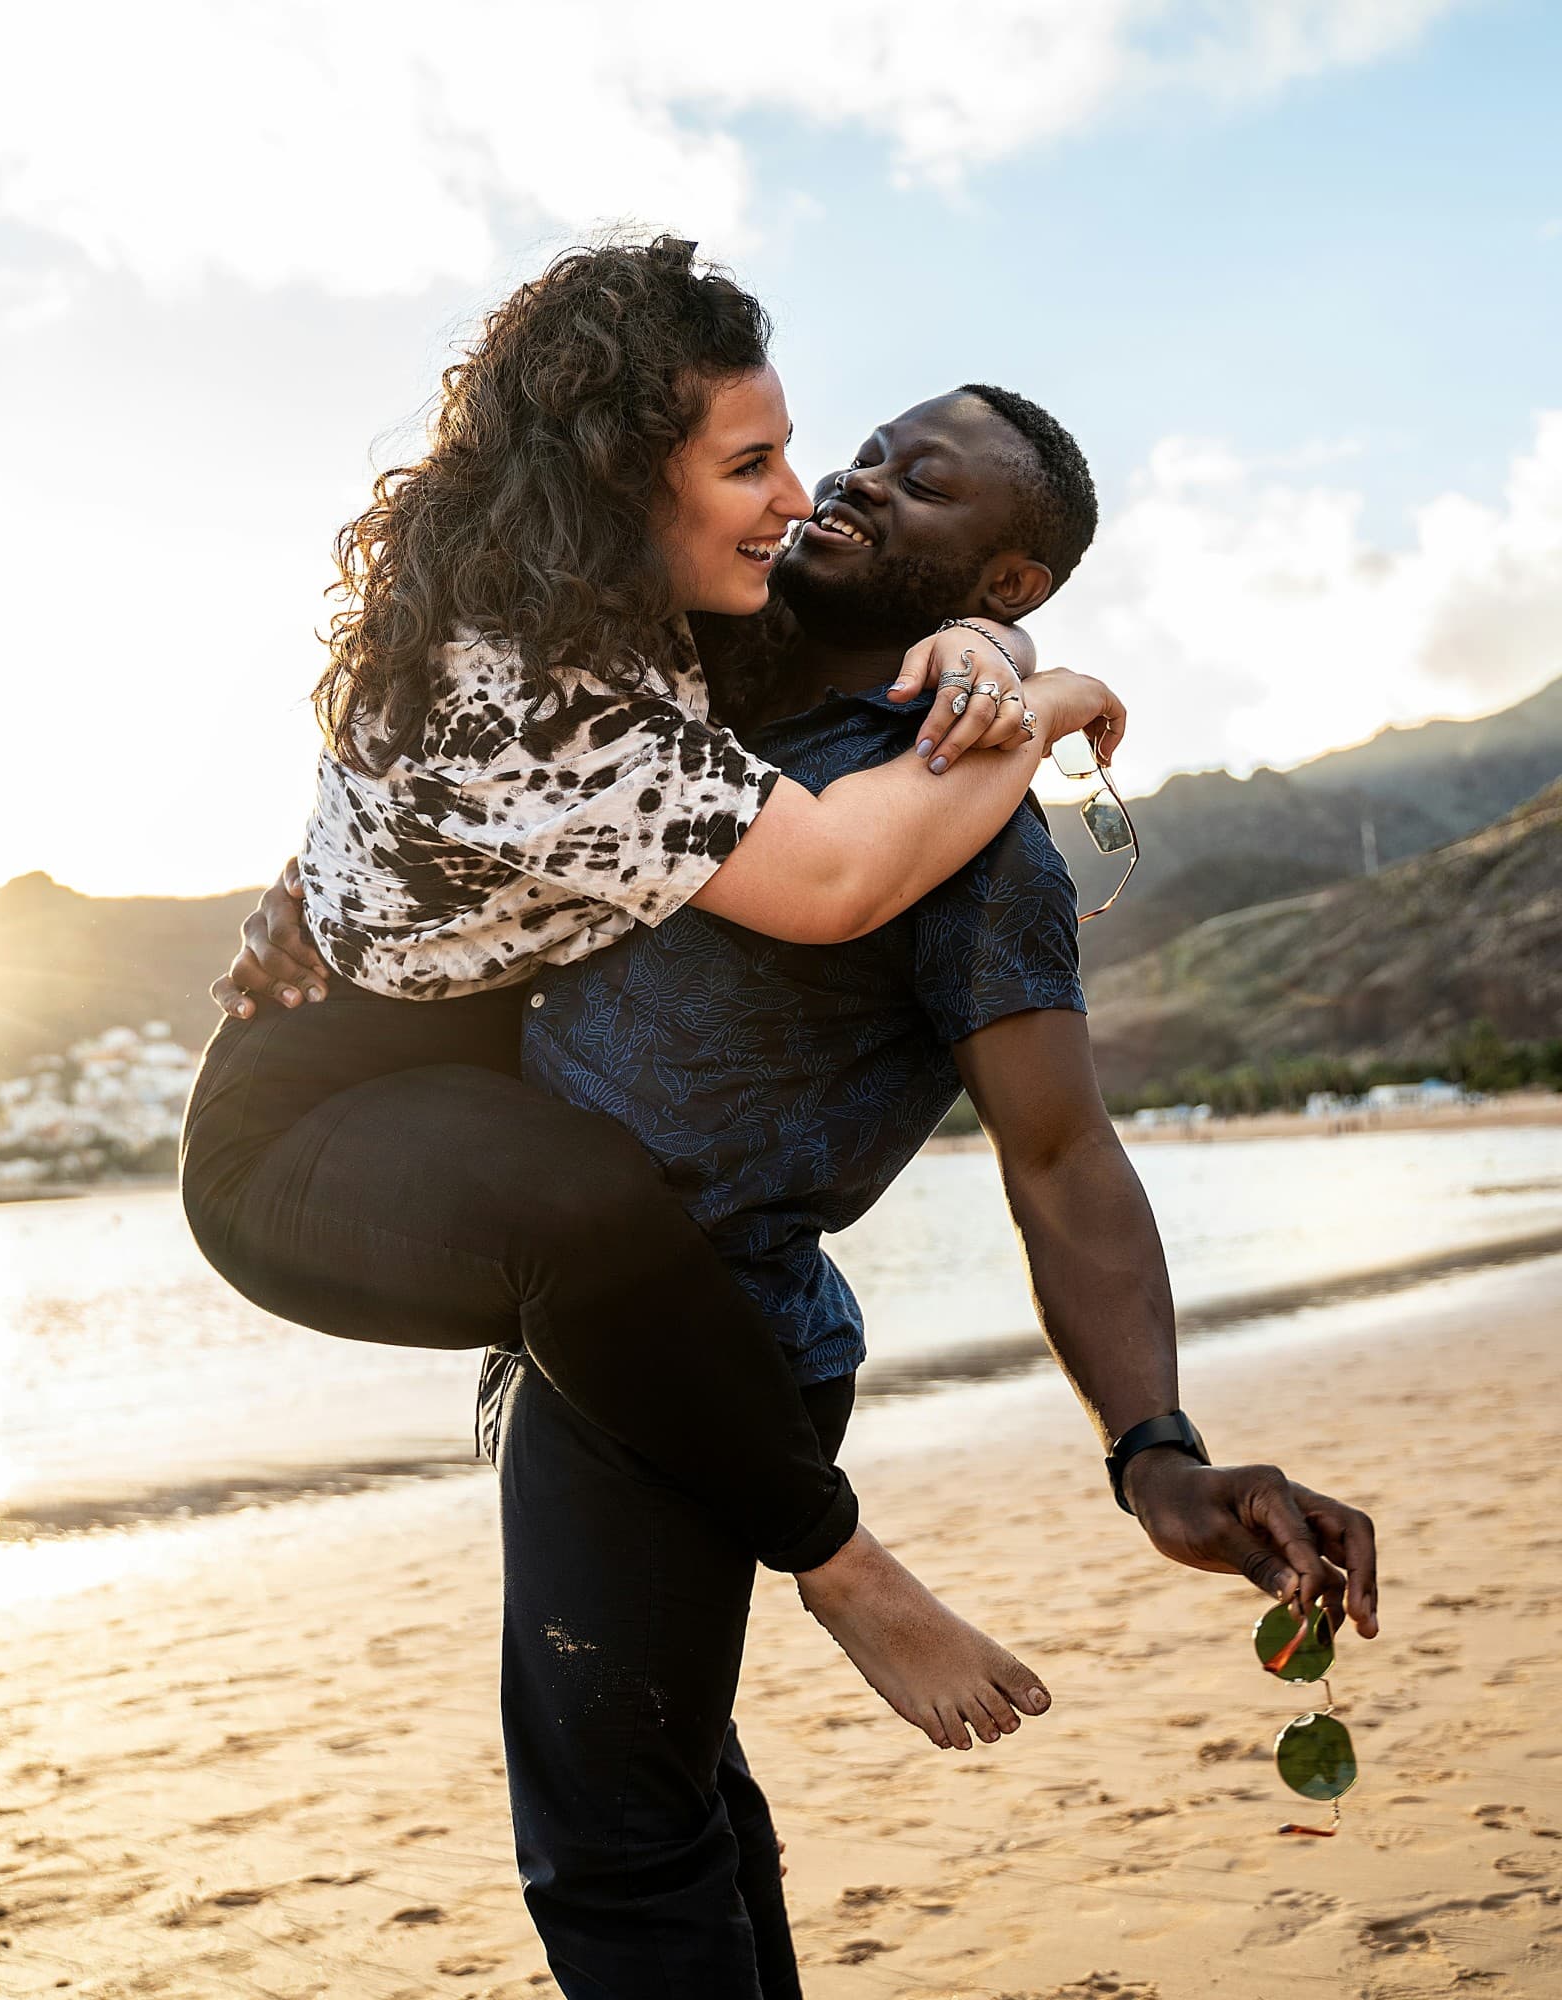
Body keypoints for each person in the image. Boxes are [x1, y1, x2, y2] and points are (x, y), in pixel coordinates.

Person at [230, 386, 1382, 1998]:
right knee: (672, 1800)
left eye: (924, 486)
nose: (856, 481)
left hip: (705, 1337)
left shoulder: (967, 831)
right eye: (865, 452)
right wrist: (324, 905)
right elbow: (472, 794)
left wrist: (1157, 1452)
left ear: (1007, 584)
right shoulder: (697, 696)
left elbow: (1060, 1155)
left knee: (617, 1845)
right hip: (586, 1311)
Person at [179, 235, 1128, 1731]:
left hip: (481, 1098)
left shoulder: (649, 611)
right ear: (629, 477)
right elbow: (829, 880)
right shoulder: (528, 676)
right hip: (314, 1125)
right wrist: (1054, 696)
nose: (804, 496)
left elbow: (882, 653)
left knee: (659, 1784)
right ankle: (847, 1567)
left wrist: (996, 640)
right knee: (592, 1206)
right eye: (756, 463)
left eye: (796, 453)